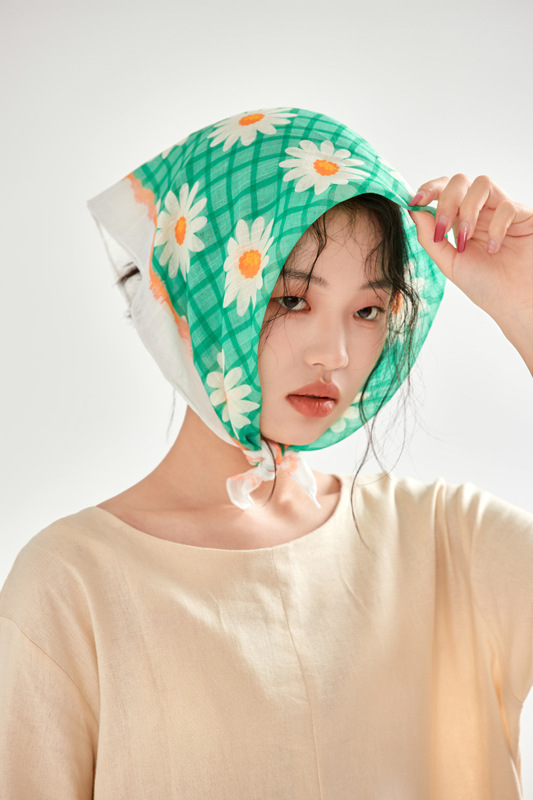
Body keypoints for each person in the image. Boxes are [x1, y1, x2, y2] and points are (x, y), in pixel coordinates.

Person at [0, 106, 532, 798]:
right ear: (201, 294)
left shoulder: (446, 543)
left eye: (368, 311)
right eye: (291, 300)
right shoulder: (72, 584)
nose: (334, 355)